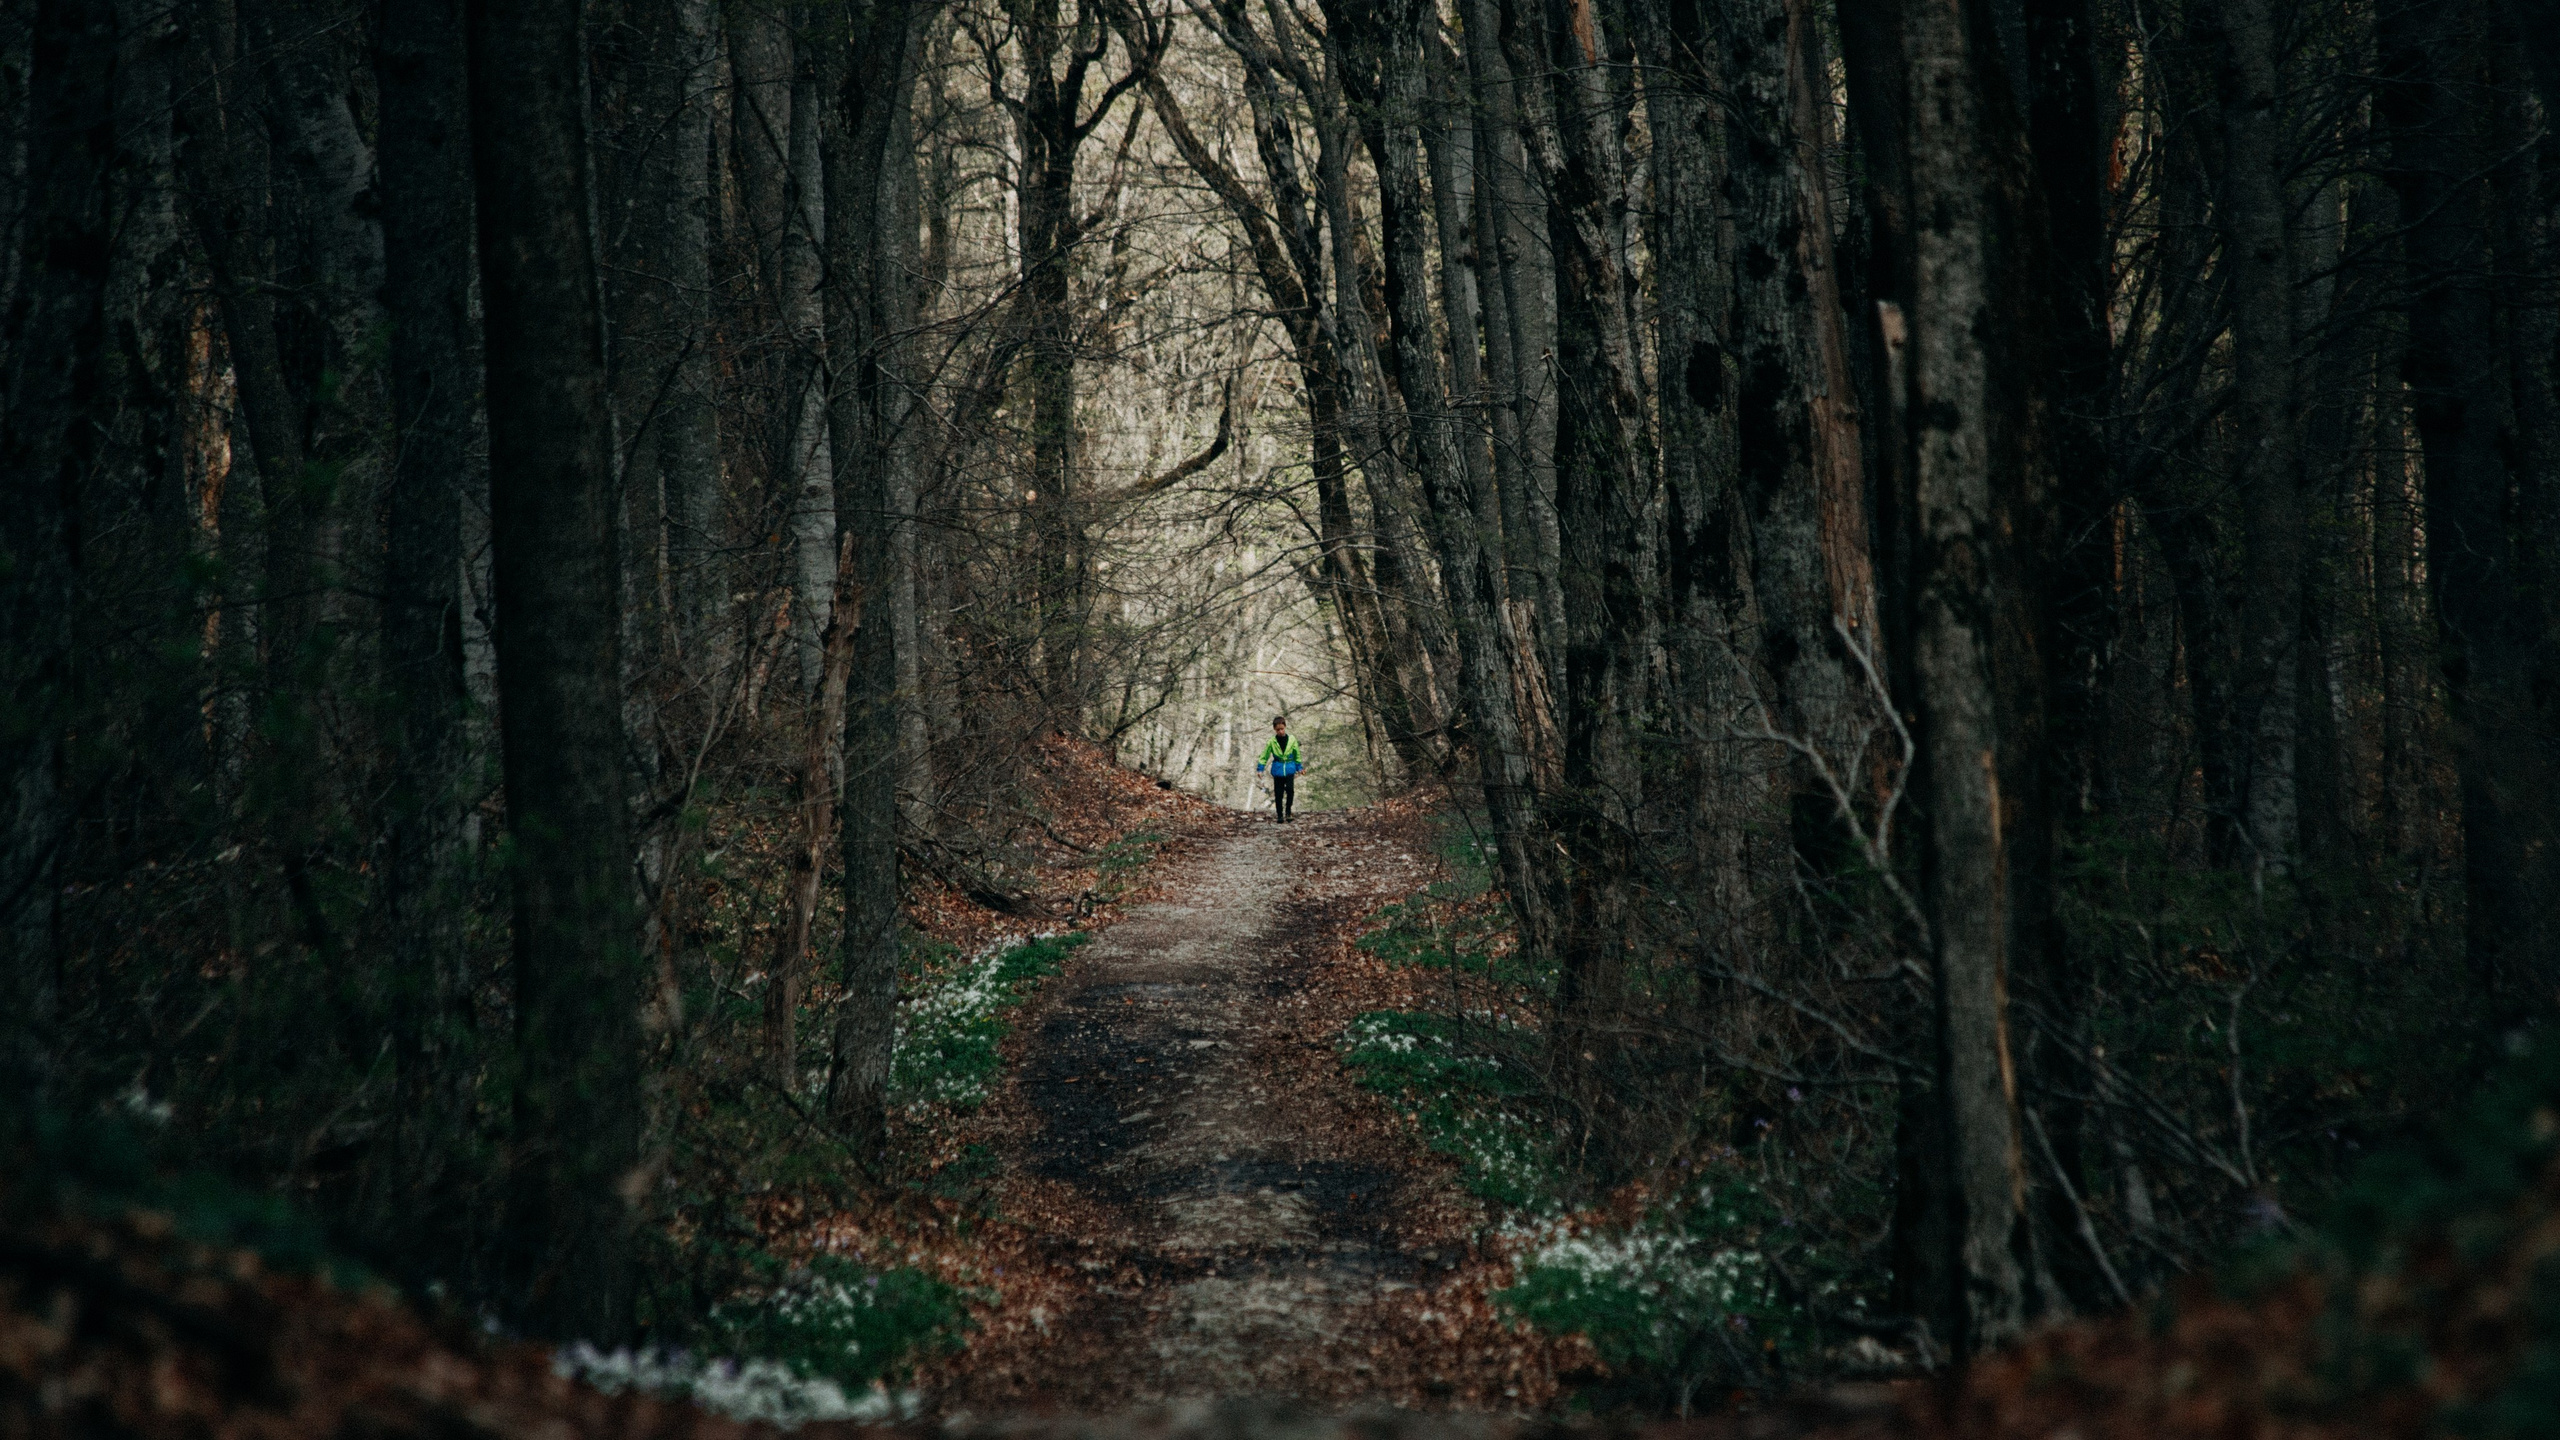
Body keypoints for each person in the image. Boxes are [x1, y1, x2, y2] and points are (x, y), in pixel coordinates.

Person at [1255, 716, 1303, 823]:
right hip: (1278, 770)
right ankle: (1280, 815)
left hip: (1290, 768)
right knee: (1278, 793)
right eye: (1278, 730)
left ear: (1285, 727)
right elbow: (1264, 755)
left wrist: (1299, 767)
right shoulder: (1272, 742)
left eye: (1282, 729)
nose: (1280, 731)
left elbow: (1297, 754)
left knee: (1290, 791)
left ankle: (1288, 812)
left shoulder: (1292, 739)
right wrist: (1260, 769)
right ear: (1274, 729)